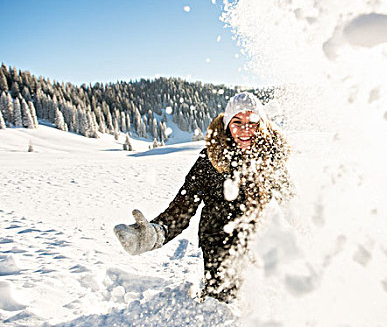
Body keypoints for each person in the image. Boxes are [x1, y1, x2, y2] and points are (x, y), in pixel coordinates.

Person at [114, 92, 294, 303]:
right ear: (227, 125)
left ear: (262, 125)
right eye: (237, 122)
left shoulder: (269, 160)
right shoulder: (210, 160)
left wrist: (320, 237)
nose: (245, 129)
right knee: (221, 300)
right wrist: (156, 232)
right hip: (217, 239)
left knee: (260, 299)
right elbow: (184, 203)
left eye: (252, 122)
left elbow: (292, 203)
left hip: (257, 237)